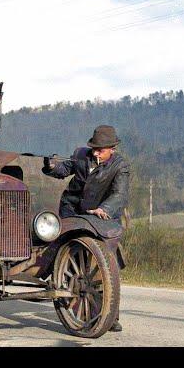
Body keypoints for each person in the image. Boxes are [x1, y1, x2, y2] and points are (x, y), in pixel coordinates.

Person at [42, 125, 130, 332]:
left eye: (101, 149)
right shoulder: (80, 155)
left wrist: (103, 208)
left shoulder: (121, 166)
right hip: (72, 210)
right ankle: (59, 285)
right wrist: (51, 166)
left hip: (103, 217)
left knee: (106, 264)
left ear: (112, 149)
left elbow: (120, 195)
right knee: (70, 257)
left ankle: (110, 317)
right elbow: (63, 171)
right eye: (94, 148)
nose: (96, 152)